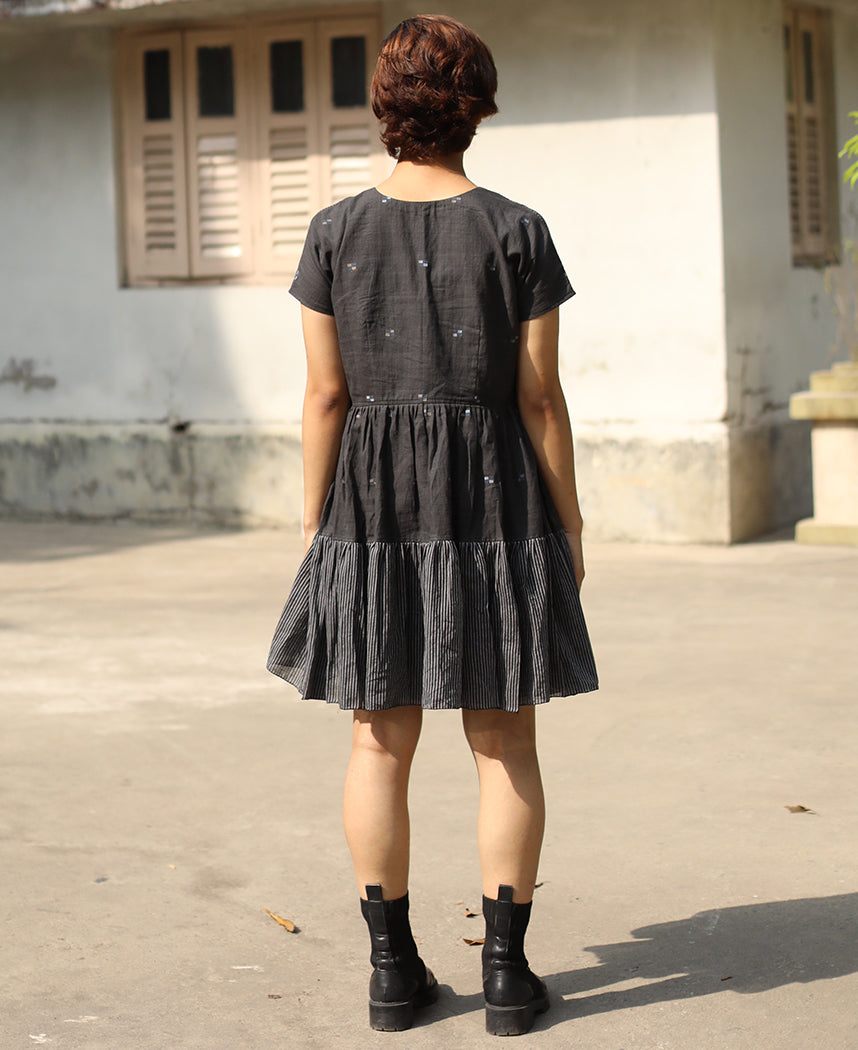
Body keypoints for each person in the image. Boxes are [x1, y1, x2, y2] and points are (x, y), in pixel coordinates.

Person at [267, 14, 598, 1037]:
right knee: (505, 740)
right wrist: (570, 522)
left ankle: (392, 974)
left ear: (386, 106)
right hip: (497, 502)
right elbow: (538, 397)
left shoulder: (333, 231)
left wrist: (317, 519)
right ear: (476, 105)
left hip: (372, 508)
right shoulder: (517, 230)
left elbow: (326, 395)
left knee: (379, 740)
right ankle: (505, 977)